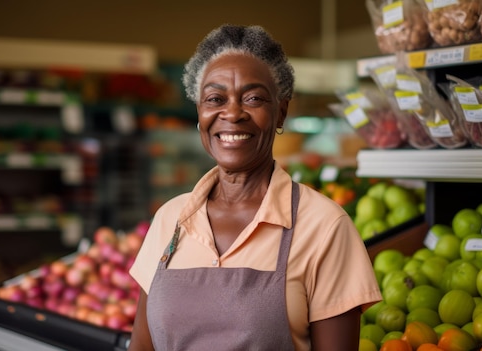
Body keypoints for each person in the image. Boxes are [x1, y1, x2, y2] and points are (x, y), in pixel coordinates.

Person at [128, 24, 382, 351]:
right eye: (215, 98)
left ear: (281, 112)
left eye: (253, 98)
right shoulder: (169, 220)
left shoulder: (324, 227)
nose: (232, 113)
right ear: (200, 113)